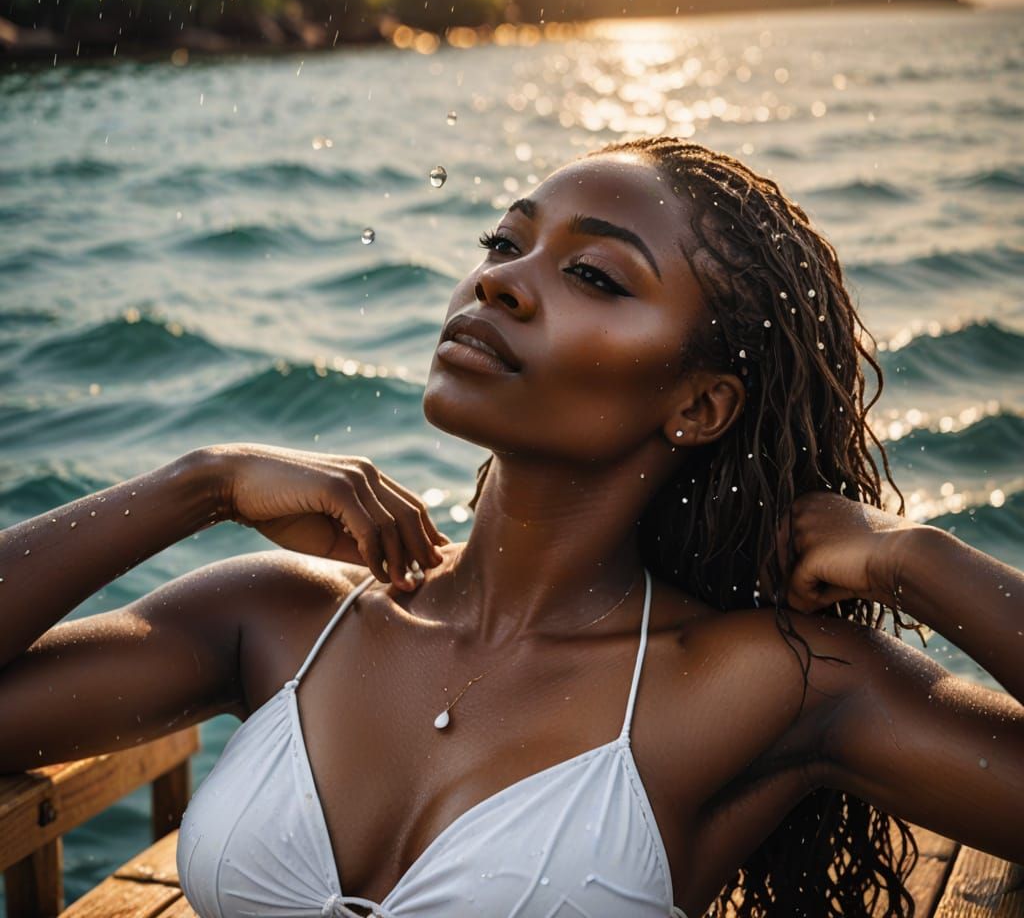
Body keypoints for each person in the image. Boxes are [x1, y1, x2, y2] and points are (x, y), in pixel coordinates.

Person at [1, 137, 1021, 918]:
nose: (494, 279)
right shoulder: (276, 617)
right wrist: (201, 483)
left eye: (594, 276)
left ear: (701, 406)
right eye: (502, 241)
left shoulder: (755, 683)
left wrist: (910, 558)